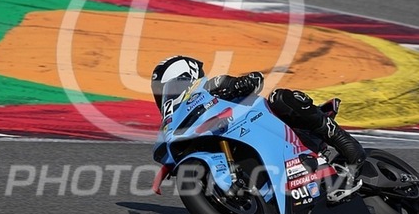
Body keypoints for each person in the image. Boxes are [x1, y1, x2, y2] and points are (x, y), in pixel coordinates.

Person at [151, 55, 365, 169]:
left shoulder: (209, 86)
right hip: (243, 141)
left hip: (266, 123)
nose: (164, 96)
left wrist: (242, 83)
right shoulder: (179, 119)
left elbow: (254, 80)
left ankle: (337, 138)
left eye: (166, 88)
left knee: (280, 98)